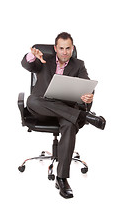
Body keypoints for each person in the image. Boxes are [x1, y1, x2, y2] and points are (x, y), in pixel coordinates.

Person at [21, 32, 106, 199]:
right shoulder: (43, 60)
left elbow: (86, 87)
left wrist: (88, 96)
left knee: (68, 124)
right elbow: (26, 64)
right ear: (55, 48)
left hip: (66, 113)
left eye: (68, 48)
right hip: (42, 110)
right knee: (32, 100)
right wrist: (32, 55)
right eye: (61, 48)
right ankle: (83, 116)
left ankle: (61, 178)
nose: (65, 52)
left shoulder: (79, 65)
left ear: (72, 48)